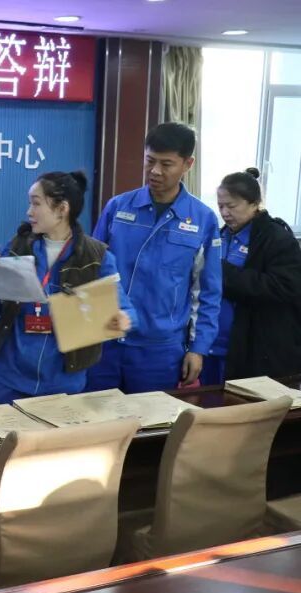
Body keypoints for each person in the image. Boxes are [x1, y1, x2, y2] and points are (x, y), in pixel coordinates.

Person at [87, 122, 222, 392]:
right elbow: (91, 270)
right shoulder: (118, 208)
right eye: (150, 161)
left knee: (151, 417)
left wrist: (198, 348)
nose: (155, 171)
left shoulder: (203, 220)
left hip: (160, 349)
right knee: (94, 415)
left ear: (188, 164)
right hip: (106, 340)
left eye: (166, 164)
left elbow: (207, 292)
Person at [0, 171, 136, 403]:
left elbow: (127, 310)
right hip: (7, 377)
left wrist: (123, 319)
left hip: (62, 381)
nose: (29, 212)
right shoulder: (17, 245)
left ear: (62, 209)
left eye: (36, 204)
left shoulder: (96, 257)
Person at [201, 168, 301, 384]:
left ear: (254, 204)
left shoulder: (277, 239)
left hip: (254, 348)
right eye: (220, 206)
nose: (225, 212)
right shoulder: (221, 235)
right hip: (213, 345)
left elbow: (284, 287)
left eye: (231, 206)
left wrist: (222, 272)